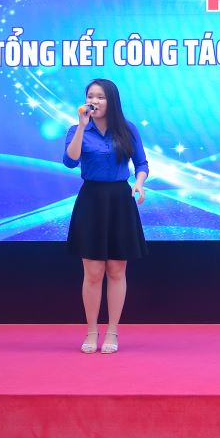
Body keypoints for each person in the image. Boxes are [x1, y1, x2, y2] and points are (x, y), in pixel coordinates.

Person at [63, 78, 149, 354]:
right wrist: (81, 127)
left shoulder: (127, 129)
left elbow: (142, 163)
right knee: (93, 272)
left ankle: (112, 331)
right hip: (91, 200)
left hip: (120, 200)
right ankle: (91, 332)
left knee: (116, 270)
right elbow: (70, 161)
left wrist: (139, 183)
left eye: (100, 97)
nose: (94, 101)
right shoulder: (77, 129)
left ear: (111, 101)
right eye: (91, 96)